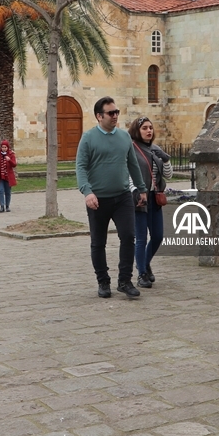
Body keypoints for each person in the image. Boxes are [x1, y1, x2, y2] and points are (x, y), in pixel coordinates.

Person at [76, 96, 147, 299]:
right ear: (99, 116)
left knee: (128, 236)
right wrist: (87, 192)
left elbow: (133, 164)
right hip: (98, 200)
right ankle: (103, 281)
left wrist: (142, 189)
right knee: (98, 243)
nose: (115, 116)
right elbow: (80, 167)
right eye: (111, 113)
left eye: (116, 112)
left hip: (123, 197)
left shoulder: (124, 137)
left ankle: (125, 281)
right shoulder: (88, 138)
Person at [128, 116, 173, 288]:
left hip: (155, 198)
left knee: (158, 236)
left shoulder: (155, 149)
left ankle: (145, 264)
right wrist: (136, 192)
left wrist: (166, 160)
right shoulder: (132, 149)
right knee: (141, 238)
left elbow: (168, 175)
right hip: (140, 199)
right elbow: (128, 174)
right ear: (137, 131)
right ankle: (142, 274)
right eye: (144, 128)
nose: (149, 131)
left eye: (150, 128)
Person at [0, 140, 17, 213]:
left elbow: (14, 164)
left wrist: (9, 160)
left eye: (5, 147)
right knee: (0, 190)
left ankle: (7, 206)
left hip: (8, 176)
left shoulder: (11, 154)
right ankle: (2, 206)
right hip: (0, 176)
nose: (4, 149)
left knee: (7, 191)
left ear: (7, 147)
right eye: (2, 147)